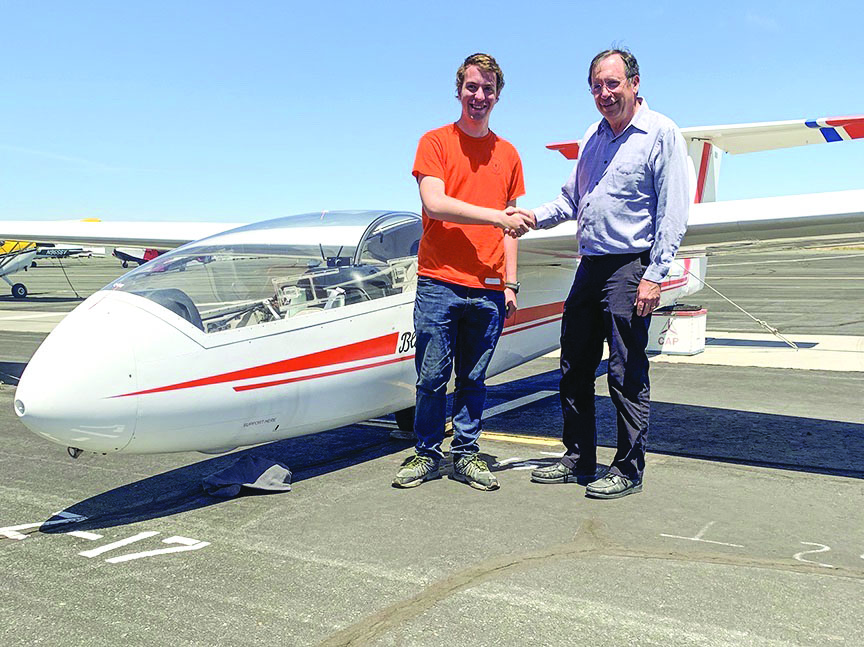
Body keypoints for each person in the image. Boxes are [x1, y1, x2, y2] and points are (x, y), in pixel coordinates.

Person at [519, 49, 690, 499]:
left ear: (635, 83)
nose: (604, 94)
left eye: (613, 84)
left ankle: (628, 469)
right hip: (590, 265)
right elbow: (572, 200)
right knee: (574, 363)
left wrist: (654, 275)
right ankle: (578, 458)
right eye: (597, 86)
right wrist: (531, 217)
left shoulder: (661, 133)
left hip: (630, 267)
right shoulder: (592, 136)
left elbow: (674, 212)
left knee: (624, 370)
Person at [392, 53, 533, 491]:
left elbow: (512, 228)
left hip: (489, 287)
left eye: (488, 89)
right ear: (459, 91)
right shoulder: (434, 142)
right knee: (432, 375)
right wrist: (496, 218)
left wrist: (510, 282)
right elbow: (435, 203)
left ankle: (467, 453)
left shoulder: (508, 154)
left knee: (474, 378)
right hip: (439, 281)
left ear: (497, 96)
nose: (479, 96)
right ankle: (427, 452)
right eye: (472, 87)